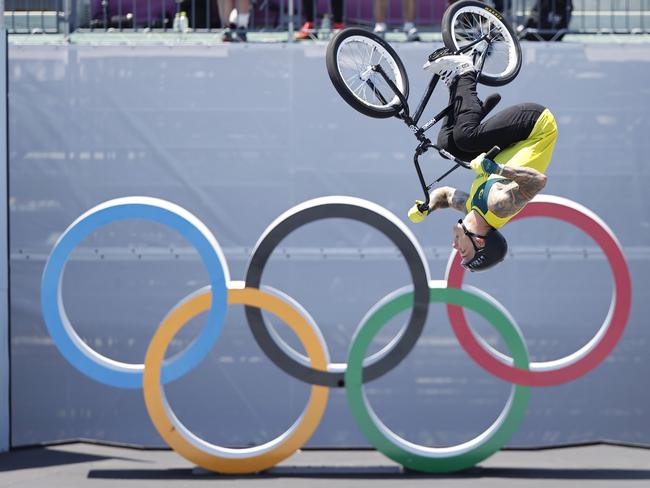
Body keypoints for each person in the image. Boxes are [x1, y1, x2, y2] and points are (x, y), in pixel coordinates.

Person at [408, 53, 558, 272]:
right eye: (463, 250)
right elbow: (538, 182)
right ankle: (465, 70)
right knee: (466, 137)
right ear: (479, 242)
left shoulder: (473, 207)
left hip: (507, 146)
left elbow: (446, 195)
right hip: (535, 127)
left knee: (446, 146)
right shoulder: (499, 207)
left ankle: (457, 85)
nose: (454, 245)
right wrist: (495, 168)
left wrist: (427, 207)